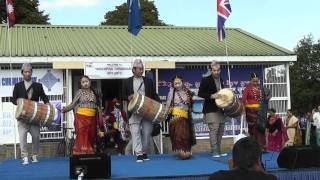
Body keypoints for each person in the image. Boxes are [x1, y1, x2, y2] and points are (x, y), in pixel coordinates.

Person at [122, 59, 160, 162]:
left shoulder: (148, 81)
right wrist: (128, 97)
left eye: (142, 68)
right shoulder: (127, 81)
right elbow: (122, 95)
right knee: (135, 132)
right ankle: (138, 154)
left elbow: (154, 94)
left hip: (147, 109)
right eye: (139, 69)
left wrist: (160, 105)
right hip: (134, 110)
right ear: (133, 70)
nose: (142, 70)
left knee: (147, 132)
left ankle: (144, 152)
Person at [12, 63, 49, 165]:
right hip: (22, 116)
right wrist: (20, 104)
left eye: (29, 72)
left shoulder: (38, 86)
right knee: (22, 137)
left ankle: (34, 156)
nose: (27, 73)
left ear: (31, 72)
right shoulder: (18, 86)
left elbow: (44, 97)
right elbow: (13, 99)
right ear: (22, 73)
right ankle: (24, 157)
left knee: (36, 136)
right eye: (25, 72)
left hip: (34, 117)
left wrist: (48, 104)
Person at [208, 137, 277, 180]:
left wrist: (232, 170)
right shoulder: (270, 178)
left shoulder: (216, 177)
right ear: (258, 161)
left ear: (233, 159)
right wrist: (261, 170)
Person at [62, 75, 99, 155]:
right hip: (81, 118)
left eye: (86, 81)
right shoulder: (79, 92)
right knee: (83, 136)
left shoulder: (94, 93)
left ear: (90, 82)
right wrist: (64, 110)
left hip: (92, 119)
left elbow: (97, 106)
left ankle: (88, 153)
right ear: (81, 84)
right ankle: (83, 155)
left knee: (91, 136)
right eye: (83, 82)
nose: (85, 83)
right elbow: (73, 104)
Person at [198, 60, 227, 157]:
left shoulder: (221, 79)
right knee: (214, 129)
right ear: (211, 70)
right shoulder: (206, 79)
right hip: (210, 108)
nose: (217, 72)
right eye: (214, 70)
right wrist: (211, 96)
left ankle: (218, 150)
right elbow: (200, 93)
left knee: (221, 129)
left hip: (221, 108)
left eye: (218, 70)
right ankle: (214, 151)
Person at [165, 75, 196, 160]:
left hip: (186, 117)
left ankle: (185, 151)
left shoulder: (187, 92)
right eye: (175, 83)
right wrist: (164, 114)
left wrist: (193, 109)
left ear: (182, 82)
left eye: (179, 83)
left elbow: (190, 104)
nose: (177, 85)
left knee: (186, 136)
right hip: (176, 117)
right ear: (173, 84)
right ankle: (181, 151)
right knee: (178, 136)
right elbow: (168, 105)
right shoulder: (172, 92)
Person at [242, 73, 271, 150]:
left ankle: (262, 146)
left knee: (261, 128)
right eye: (254, 81)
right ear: (250, 81)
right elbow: (244, 99)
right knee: (254, 129)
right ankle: (253, 146)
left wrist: (268, 97)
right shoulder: (247, 88)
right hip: (251, 112)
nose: (255, 83)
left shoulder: (261, 88)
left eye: (257, 81)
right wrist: (243, 109)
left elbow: (267, 95)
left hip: (261, 111)